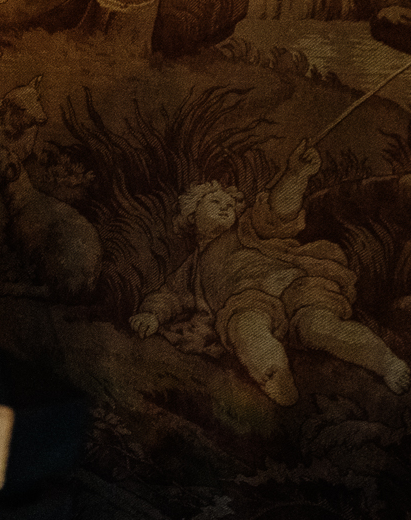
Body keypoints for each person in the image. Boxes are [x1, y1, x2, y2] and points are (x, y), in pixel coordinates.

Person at [130, 144, 411, 407]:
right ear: (191, 216)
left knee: (321, 326)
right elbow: (168, 295)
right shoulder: (192, 268)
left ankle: (387, 363)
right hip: (248, 303)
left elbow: (277, 210)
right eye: (215, 201)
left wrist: (296, 174)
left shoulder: (246, 229)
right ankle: (274, 373)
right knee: (245, 326)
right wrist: (152, 315)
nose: (227, 206)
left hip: (294, 283)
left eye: (230, 203)